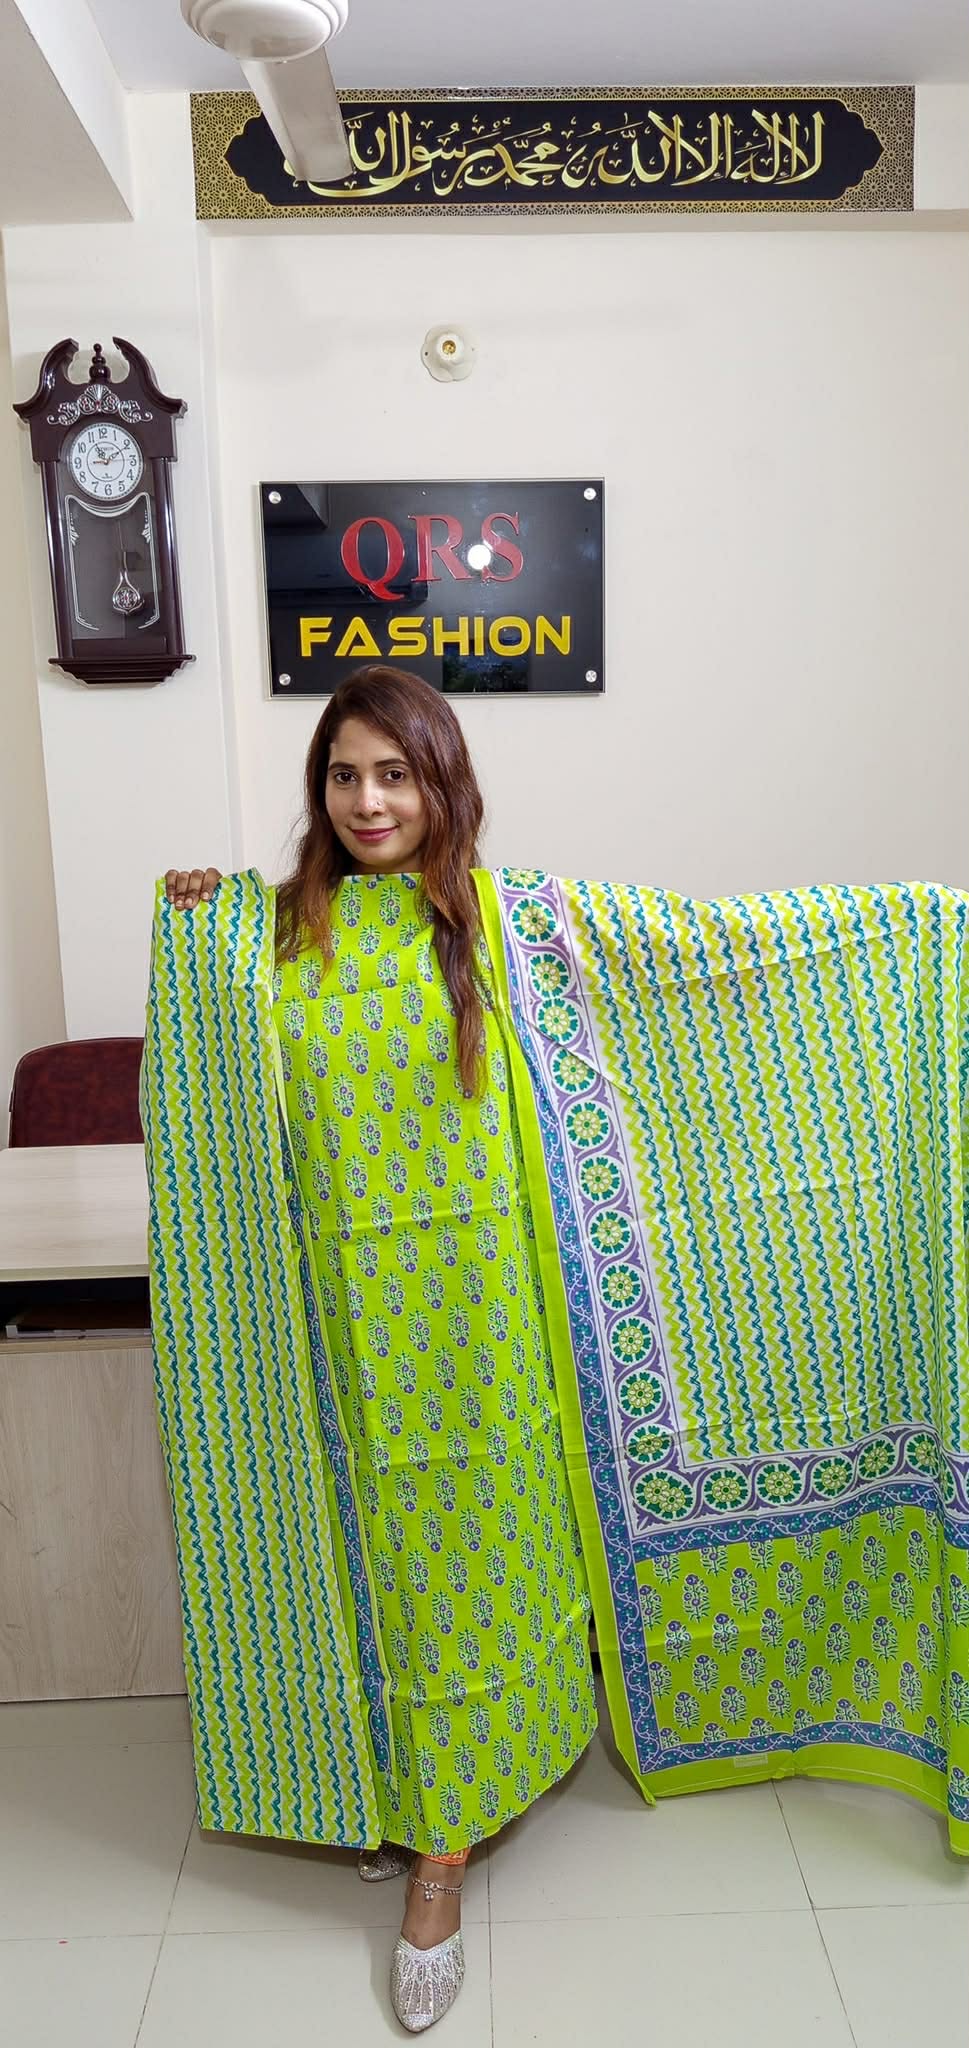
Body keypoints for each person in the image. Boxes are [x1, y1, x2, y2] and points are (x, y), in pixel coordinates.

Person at [165, 665, 599, 2032]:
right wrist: (195, 919)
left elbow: (681, 963)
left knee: (463, 1568)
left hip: (476, 1334)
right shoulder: (270, 938)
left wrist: (908, 928)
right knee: (354, 1563)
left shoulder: (504, 922)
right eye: (343, 775)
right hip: (330, 1334)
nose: (368, 802)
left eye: (394, 774)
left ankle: (441, 1856)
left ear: (440, 782)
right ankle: (381, 1781)